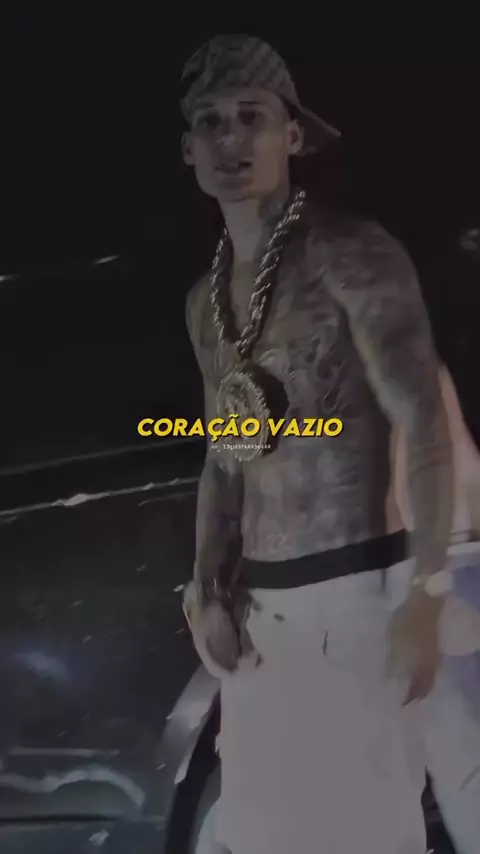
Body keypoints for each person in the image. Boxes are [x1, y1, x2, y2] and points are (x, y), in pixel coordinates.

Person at [180, 33, 475, 853]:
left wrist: (426, 591)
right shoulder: (205, 301)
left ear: (293, 135)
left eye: (251, 117)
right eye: (210, 121)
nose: (231, 138)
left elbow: (422, 420)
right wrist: (205, 588)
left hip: (356, 593)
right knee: (262, 832)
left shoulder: (352, 253)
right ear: (189, 150)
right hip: (261, 611)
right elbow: (222, 454)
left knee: (362, 830)